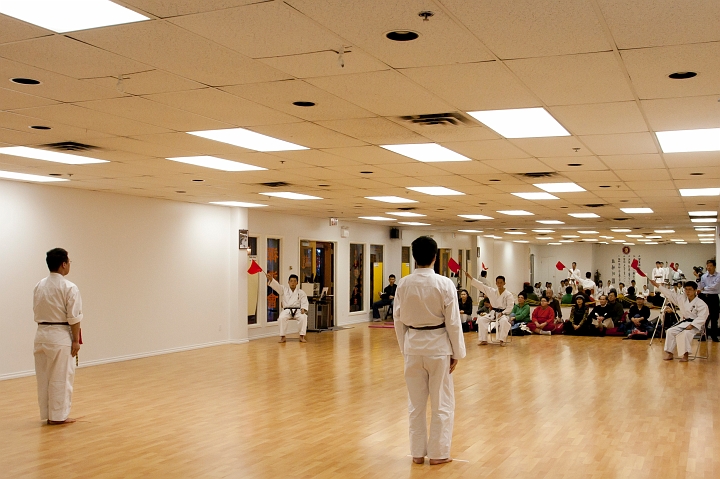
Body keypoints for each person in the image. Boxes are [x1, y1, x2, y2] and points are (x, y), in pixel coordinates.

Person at [394, 236, 465, 465]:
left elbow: (397, 320)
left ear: (414, 257)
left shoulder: (403, 284)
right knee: (441, 402)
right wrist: (457, 352)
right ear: (435, 257)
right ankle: (438, 453)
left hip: (413, 346)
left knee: (415, 404)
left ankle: (417, 453)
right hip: (438, 347)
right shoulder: (445, 284)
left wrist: (405, 348)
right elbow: (453, 322)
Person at [33, 248, 83, 425]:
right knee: (61, 378)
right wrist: (76, 340)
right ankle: (58, 416)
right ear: (63, 264)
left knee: (44, 377)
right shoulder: (69, 287)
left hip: (41, 334)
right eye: (69, 262)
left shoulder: (39, 285)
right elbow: (74, 317)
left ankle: (48, 413)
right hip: (60, 335)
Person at [650, 279, 709, 361]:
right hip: (684, 323)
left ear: (695, 290)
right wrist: (657, 285)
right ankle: (670, 353)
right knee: (670, 331)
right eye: (686, 289)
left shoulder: (701, 303)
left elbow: (703, 317)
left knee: (685, 333)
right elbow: (669, 294)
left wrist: (692, 325)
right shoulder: (682, 299)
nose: (688, 292)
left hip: (696, 325)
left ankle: (685, 355)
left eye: (690, 289)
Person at [467, 272, 514, 345]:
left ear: (504, 283)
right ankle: (483, 340)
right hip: (493, 313)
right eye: (498, 282)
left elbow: (510, 307)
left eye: (501, 282)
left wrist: (503, 313)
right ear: (496, 283)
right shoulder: (492, 291)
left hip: (503, 314)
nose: (499, 284)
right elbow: (482, 286)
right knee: (481, 320)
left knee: (504, 321)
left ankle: (502, 340)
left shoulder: (508, 294)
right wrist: (470, 278)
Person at [267, 273, 309, 343]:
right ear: (288, 282)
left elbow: (304, 301)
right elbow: (277, 286)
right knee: (281, 318)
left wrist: (303, 308)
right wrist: (271, 279)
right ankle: (283, 336)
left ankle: (302, 336)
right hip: (287, 310)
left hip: (298, 310)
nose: (293, 283)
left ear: (297, 282)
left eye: (294, 281)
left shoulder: (301, 292)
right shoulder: (284, 290)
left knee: (303, 317)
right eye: (291, 281)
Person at [697, 259, 720, 342]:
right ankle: (703, 335)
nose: (709, 267)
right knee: (704, 316)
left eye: (710, 266)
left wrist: (704, 288)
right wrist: (698, 279)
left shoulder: (718, 276)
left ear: (714, 266)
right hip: (705, 297)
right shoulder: (703, 276)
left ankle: (714, 336)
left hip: (714, 297)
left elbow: (715, 286)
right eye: (707, 266)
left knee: (714, 317)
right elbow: (700, 287)